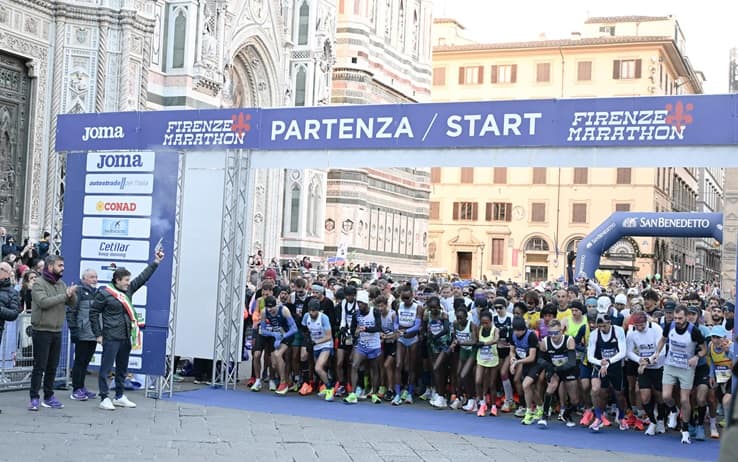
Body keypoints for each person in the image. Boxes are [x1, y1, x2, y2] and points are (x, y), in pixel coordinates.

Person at [90, 248, 164, 411]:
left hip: (126, 335)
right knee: (106, 368)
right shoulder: (105, 293)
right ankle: (104, 398)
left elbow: (142, 278)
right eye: (125, 280)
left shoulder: (128, 290)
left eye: (129, 279)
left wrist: (156, 262)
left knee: (122, 368)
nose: (128, 282)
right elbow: (94, 313)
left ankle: (119, 396)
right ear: (117, 280)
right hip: (110, 335)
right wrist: (98, 334)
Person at [651, 305, 707, 444]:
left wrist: (696, 357)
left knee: (684, 399)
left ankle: (686, 429)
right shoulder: (669, 326)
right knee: (666, 396)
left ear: (687, 317)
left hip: (686, 367)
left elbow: (704, 349)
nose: (677, 320)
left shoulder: (694, 331)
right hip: (670, 364)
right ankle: (673, 411)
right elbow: (663, 340)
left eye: (680, 318)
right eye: (675, 318)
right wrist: (657, 352)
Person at [29, 255, 77, 411]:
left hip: (57, 331)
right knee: (39, 366)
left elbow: (72, 303)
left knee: (52, 367)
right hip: (41, 331)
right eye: (59, 265)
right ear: (50, 267)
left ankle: (49, 396)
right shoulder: (39, 283)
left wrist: (71, 294)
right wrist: (65, 295)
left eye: (63, 265)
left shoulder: (61, 284)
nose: (62, 268)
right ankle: (34, 397)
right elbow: (43, 302)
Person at [626, 311, 667, 436]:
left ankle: (660, 419)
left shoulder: (655, 328)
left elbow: (662, 349)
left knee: (660, 396)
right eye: (637, 325)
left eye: (642, 325)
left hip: (658, 366)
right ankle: (652, 421)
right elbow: (629, 352)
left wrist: (649, 360)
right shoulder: (631, 332)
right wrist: (639, 360)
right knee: (644, 396)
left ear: (646, 322)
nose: (639, 328)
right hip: (643, 367)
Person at [587, 312, 628, 432]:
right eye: (599, 326)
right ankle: (598, 417)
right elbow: (590, 356)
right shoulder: (594, 334)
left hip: (615, 366)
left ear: (609, 323)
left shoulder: (618, 331)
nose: (602, 329)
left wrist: (608, 362)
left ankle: (621, 417)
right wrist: (601, 363)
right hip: (600, 365)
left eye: (604, 326)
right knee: (598, 391)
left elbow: (622, 352)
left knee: (619, 394)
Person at [538, 319, 579, 428]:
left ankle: (567, 415)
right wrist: (549, 368)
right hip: (554, 369)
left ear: (561, 331)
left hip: (568, 370)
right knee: (550, 388)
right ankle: (544, 416)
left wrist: (556, 369)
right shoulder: (545, 342)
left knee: (575, 400)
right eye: (550, 333)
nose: (553, 336)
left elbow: (571, 362)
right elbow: (540, 360)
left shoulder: (569, 340)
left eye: (556, 333)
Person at [344, 290, 382, 404]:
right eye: (358, 303)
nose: (359, 305)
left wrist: (365, 329)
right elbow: (352, 329)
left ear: (366, 303)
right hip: (361, 344)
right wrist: (355, 333)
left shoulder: (374, 311)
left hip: (374, 345)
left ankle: (374, 394)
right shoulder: (356, 314)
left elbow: (378, 327)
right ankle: (353, 394)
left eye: (361, 303)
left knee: (374, 369)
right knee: (354, 365)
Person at [67, 269, 99, 401]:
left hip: (93, 333)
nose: (95, 279)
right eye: (92, 277)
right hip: (82, 332)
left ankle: (82, 387)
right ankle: (76, 389)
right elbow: (71, 312)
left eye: (96, 277)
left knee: (86, 362)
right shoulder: (79, 291)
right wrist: (74, 330)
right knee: (79, 361)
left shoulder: (96, 293)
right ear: (84, 278)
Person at [260, 295, 298, 395]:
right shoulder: (264, 312)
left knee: (278, 354)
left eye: (272, 307)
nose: (270, 310)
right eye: (268, 307)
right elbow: (262, 330)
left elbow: (294, 328)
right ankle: (290, 382)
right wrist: (273, 334)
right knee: (274, 363)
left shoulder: (284, 310)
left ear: (276, 305)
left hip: (287, 334)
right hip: (276, 335)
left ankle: (283, 383)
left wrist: (283, 336)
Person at [510, 316, 544, 425]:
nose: (518, 333)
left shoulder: (531, 336)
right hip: (525, 364)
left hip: (536, 363)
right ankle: (540, 407)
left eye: (520, 330)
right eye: (516, 330)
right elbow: (512, 351)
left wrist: (517, 363)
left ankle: (529, 412)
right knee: (531, 388)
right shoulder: (513, 335)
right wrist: (512, 358)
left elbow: (532, 357)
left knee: (525, 385)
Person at [392, 287, 422, 405]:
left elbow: (417, 324)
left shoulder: (418, 307)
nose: (405, 300)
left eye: (408, 298)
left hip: (412, 338)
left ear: (412, 296)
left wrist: (407, 331)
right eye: (403, 298)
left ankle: (409, 393)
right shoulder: (399, 305)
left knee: (411, 366)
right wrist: (396, 329)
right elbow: (396, 321)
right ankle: (397, 394)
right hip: (401, 338)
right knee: (398, 365)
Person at [302, 297, 334, 401]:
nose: (311, 313)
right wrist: (307, 340)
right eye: (310, 310)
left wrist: (316, 342)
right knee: (320, 369)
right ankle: (326, 384)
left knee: (318, 368)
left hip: (325, 344)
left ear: (318, 310)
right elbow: (304, 329)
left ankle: (330, 388)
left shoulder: (323, 318)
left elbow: (329, 336)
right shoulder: (306, 316)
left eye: (314, 311)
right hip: (315, 346)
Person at [707, 325, 733, 438]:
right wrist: (711, 375)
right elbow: (712, 361)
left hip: (732, 376)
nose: (715, 340)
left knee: (726, 400)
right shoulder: (710, 346)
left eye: (718, 337)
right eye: (713, 337)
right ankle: (713, 426)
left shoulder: (732, 346)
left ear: (724, 337)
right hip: (718, 375)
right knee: (712, 397)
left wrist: (727, 352)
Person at [473, 310, 499, 416]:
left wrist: (484, 343)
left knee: (492, 384)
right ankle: (482, 404)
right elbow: (474, 339)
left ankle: (493, 406)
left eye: (487, 323)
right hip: (481, 359)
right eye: (483, 322)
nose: (485, 325)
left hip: (492, 359)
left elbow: (496, 340)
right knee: (478, 381)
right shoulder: (479, 329)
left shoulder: (495, 330)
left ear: (491, 321)